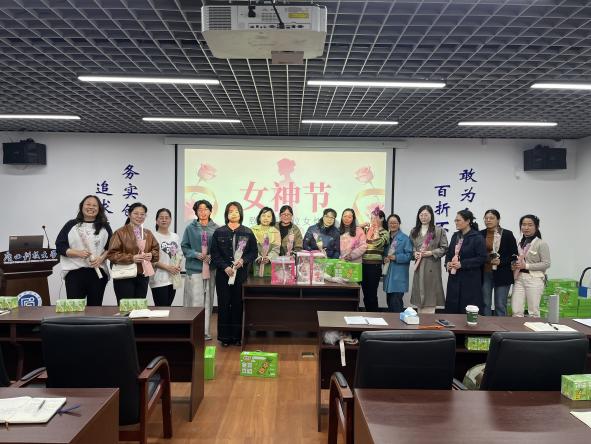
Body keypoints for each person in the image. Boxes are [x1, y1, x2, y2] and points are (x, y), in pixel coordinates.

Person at [210, 201, 257, 347]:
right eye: (230, 211)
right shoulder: (219, 232)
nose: (234, 214)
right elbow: (214, 253)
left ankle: (237, 337)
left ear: (241, 214)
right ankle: (224, 338)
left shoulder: (247, 232)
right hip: (223, 274)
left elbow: (253, 252)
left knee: (238, 304)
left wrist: (243, 261)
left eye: (236, 211)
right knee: (224, 304)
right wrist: (225, 267)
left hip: (240, 273)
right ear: (226, 214)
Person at [55, 195, 112, 306]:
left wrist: (101, 258)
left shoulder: (104, 225)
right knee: (75, 309)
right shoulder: (71, 224)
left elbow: (111, 247)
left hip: (98, 272)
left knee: (95, 308)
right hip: (75, 273)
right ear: (82, 206)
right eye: (88, 204)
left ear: (99, 208)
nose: (91, 207)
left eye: (94, 205)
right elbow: (60, 246)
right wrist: (77, 253)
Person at [107, 202, 159, 303]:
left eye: (142, 214)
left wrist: (151, 255)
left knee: (139, 307)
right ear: (129, 214)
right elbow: (111, 254)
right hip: (124, 276)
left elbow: (156, 250)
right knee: (126, 308)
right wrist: (132, 258)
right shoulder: (120, 232)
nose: (139, 216)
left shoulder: (148, 233)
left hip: (143, 275)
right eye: (136, 213)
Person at [181, 199, 219, 341]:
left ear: (210, 211)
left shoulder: (216, 228)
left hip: (211, 269)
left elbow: (219, 249)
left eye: (205, 209)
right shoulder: (190, 228)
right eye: (200, 209)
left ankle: (205, 332)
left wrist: (211, 257)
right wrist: (197, 254)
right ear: (196, 212)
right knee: (194, 301)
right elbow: (184, 247)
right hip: (195, 269)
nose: (203, 212)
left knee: (208, 301)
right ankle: (192, 332)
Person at [444, 209, 487, 314]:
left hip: (470, 280)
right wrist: (448, 264)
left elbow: (482, 258)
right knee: (452, 307)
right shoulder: (455, 236)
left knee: (467, 307)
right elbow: (449, 254)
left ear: (468, 221)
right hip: (454, 278)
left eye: (458, 220)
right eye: (455, 220)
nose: (456, 222)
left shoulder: (477, 237)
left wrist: (462, 264)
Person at [409, 205, 448, 313]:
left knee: (430, 294)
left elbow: (444, 248)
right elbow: (410, 247)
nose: (423, 217)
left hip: (432, 266)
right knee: (419, 297)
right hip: (419, 266)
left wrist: (431, 252)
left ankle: (429, 320)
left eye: (426, 215)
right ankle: (419, 319)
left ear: (431, 216)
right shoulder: (414, 231)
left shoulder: (438, 230)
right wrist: (414, 253)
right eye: (421, 215)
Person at [479, 209, 518, 316]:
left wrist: (501, 261)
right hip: (485, 273)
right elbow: (478, 253)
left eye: (491, 218)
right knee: (485, 303)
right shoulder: (480, 234)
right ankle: (485, 325)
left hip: (503, 273)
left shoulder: (507, 234)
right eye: (486, 218)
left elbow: (514, 255)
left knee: (500, 304)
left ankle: (500, 326)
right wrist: (487, 259)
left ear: (498, 220)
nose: (488, 220)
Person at [511, 214, 551, 317]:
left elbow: (546, 264)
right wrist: (513, 265)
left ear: (536, 227)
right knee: (516, 310)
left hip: (534, 278)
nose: (526, 227)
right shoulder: (518, 241)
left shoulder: (541, 243)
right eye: (523, 225)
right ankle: (517, 328)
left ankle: (534, 327)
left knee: (533, 311)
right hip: (518, 278)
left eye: (530, 225)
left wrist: (526, 266)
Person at [149, 208, 182, 306]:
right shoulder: (152, 236)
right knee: (161, 308)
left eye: (167, 218)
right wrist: (167, 267)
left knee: (168, 308)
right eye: (161, 218)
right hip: (158, 279)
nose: (164, 220)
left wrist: (177, 266)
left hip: (173, 278)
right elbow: (150, 259)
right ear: (156, 220)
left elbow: (179, 254)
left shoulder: (175, 236)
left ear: (170, 220)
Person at [382, 214, 413, 312]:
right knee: (389, 303)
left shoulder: (405, 238)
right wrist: (384, 259)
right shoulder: (386, 238)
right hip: (388, 275)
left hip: (398, 277)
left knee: (396, 304)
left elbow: (409, 256)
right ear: (387, 224)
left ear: (399, 224)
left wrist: (396, 257)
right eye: (390, 223)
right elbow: (383, 254)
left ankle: (398, 322)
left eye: (395, 223)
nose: (393, 225)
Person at [361, 208, 389, 312]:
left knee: (372, 294)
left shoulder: (385, 232)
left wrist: (376, 230)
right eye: (371, 218)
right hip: (363, 264)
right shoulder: (366, 230)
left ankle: (374, 316)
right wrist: (361, 226)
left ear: (382, 218)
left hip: (374, 266)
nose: (373, 220)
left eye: (375, 218)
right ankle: (367, 315)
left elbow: (377, 244)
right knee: (365, 294)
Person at [251, 207, 281, 276]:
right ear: (259, 218)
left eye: (268, 216)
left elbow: (276, 250)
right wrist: (258, 257)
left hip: (270, 267)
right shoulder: (252, 230)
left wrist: (269, 258)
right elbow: (250, 248)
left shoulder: (276, 232)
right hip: (253, 265)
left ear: (272, 219)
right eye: (263, 216)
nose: (266, 218)